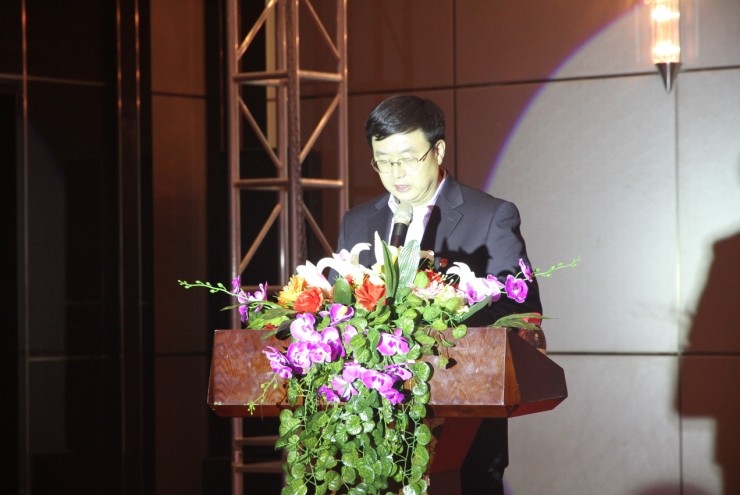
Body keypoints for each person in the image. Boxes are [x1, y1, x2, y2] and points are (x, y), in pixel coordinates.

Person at [336, 94, 544, 494]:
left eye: (407, 159)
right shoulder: (358, 221)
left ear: (438, 151)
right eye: (383, 161)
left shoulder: (491, 216)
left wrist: (442, 302)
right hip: (372, 428)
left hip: (464, 427)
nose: (396, 173)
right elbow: (340, 310)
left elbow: (520, 309)